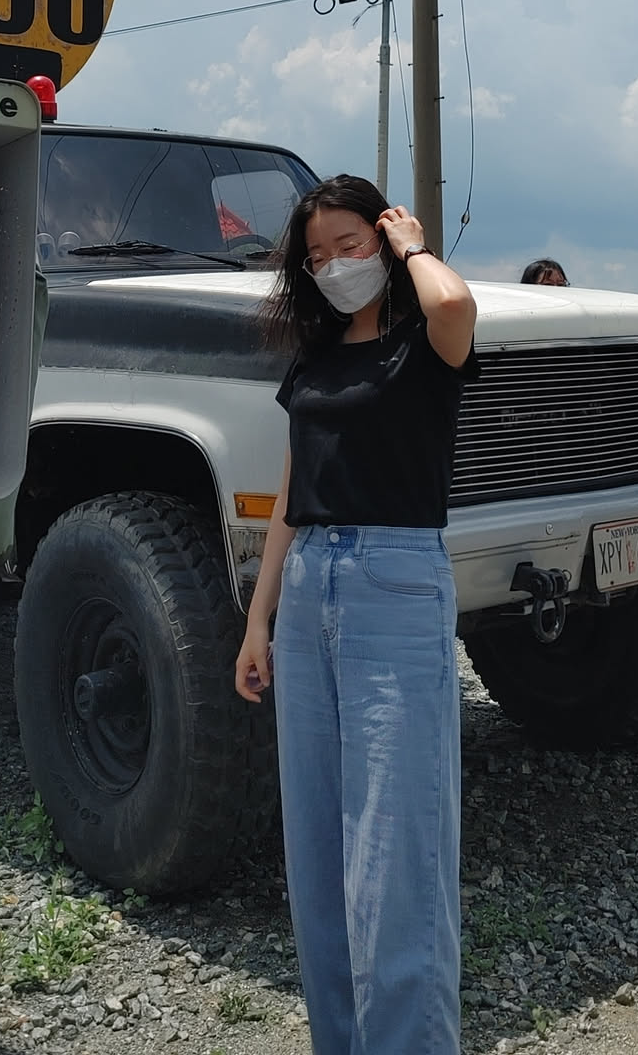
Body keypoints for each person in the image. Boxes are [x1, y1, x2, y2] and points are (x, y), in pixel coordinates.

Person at [235, 174, 478, 1055]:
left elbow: (454, 301)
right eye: (317, 255)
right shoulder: (317, 354)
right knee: (319, 847)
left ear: (381, 236)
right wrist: (259, 618)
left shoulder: (426, 344)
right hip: (309, 585)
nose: (334, 265)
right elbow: (291, 492)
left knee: (397, 851)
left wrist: (413, 245)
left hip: (395, 580)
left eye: (350, 245)